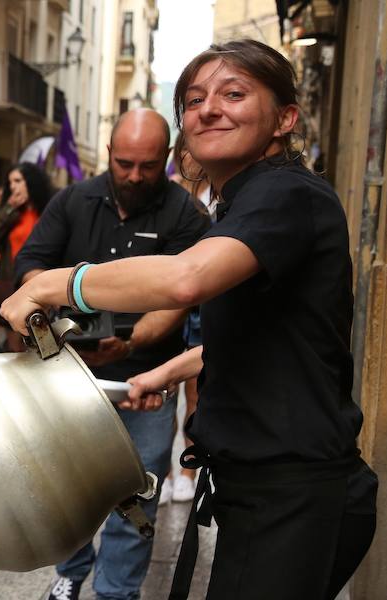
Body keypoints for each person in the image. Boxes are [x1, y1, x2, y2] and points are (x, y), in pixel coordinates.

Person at [1, 39, 377, 600]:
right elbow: (264, 336)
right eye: (195, 99)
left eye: (234, 94)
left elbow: (185, 279)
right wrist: (167, 372)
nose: (209, 109)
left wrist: (55, 283)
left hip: (292, 494)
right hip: (268, 491)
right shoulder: (244, 201)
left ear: (285, 119)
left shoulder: (285, 192)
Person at [13, 108, 210, 600]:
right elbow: (32, 265)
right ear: (108, 153)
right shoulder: (72, 200)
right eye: (124, 164)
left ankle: (116, 592)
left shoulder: (185, 215)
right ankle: (70, 571)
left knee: (136, 492)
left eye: (148, 165)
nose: (135, 175)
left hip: (147, 379)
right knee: (65, 489)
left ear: (167, 157)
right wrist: (49, 308)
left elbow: (179, 300)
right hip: (66, 376)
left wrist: (131, 340)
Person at [160, 132, 215, 506]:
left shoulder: (220, 194)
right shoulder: (168, 197)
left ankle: (187, 471)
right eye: (186, 150)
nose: (192, 157)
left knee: (196, 394)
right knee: (164, 393)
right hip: (167, 305)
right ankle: (163, 471)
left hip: (204, 307)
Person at [0, 162, 53, 350]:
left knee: (41, 340)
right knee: (16, 340)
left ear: (30, 182)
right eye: (10, 182)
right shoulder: (12, 211)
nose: (13, 186)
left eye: (17, 181)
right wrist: (9, 208)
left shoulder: (47, 210)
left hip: (39, 281)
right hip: (12, 281)